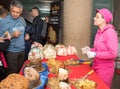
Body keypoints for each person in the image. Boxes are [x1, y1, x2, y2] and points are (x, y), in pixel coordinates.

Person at [81, 8, 118, 88]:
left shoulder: (110, 33)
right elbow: (98, 49)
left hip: (105, 69)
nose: (94, 18)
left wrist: (95, 54)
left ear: (104, 20)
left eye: (97, 17)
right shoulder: (99, 32)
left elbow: (113, 54)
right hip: (96, 65)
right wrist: (90, 50)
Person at [0, 0, 26, 75]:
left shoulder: (22, 20)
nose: (15, 14)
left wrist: (26, 35)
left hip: (22, 50)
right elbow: (1, 39)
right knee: (12, 73)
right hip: (11, 52)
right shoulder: (4, 22)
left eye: (17, 12)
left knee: (21, 71)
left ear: (20, 12)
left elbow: (24, 31)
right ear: (10, 10)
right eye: (13, 11)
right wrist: (11, 35)